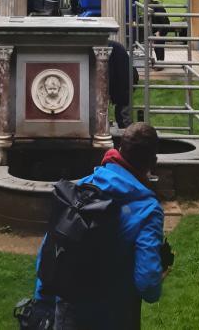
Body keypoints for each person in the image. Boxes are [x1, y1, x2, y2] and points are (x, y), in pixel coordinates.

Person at [35, 122, 166, 329]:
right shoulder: (148, 210)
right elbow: (148, 284)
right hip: (114, 314)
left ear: (119, 149)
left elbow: (51, 247)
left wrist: (42, 299)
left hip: (69, 310)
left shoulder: (83, 186)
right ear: (153, 161)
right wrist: (159, 277)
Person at [108, 39, 138, 129]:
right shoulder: (112, 46)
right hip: (126, 78)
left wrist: (108, 92)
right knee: (123, 111)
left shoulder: (108, 48)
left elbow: (110, 73)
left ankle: (127, 134)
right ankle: (127, 132)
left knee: (123, 114)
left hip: (124, 82)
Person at [149, 0, 170, 68]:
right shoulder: (152, 10)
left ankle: (160, 64)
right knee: (156, 47)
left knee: (159, 46)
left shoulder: (159, 10)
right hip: (157, 28)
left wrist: (159, 32)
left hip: (163, 28)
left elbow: (164, 22)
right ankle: (159, 62)